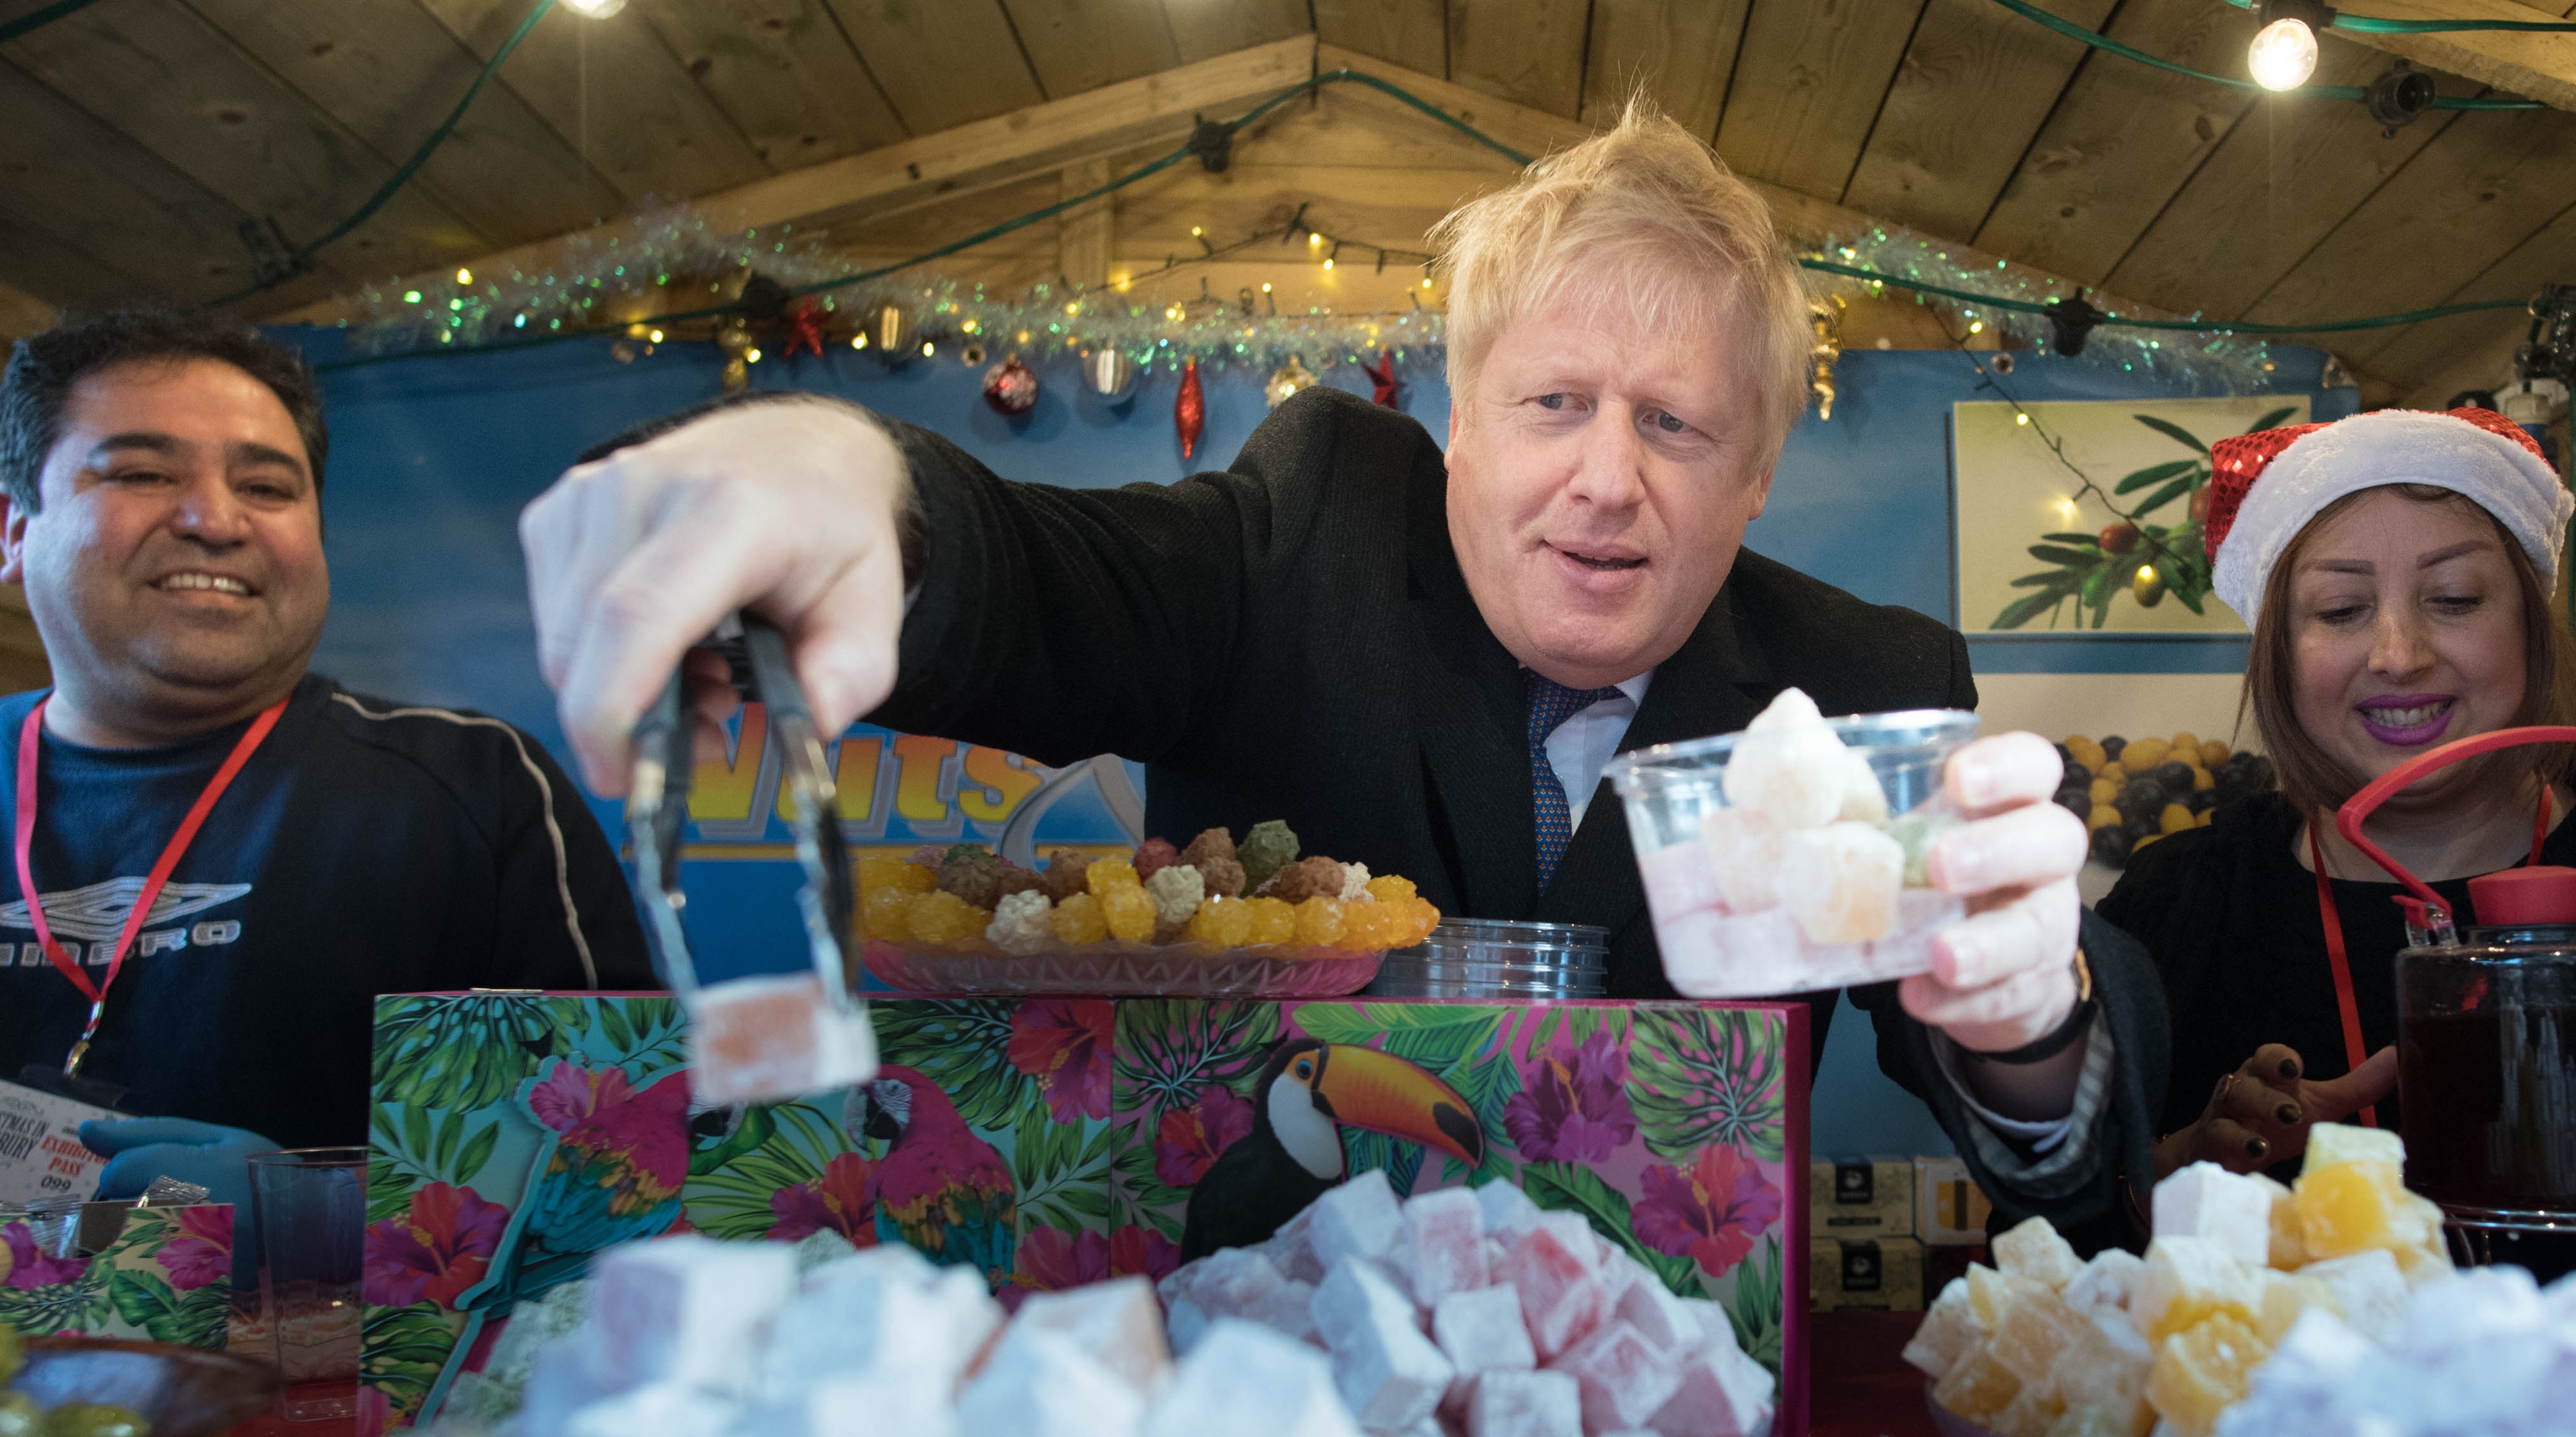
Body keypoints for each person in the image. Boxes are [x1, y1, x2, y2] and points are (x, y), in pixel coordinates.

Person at [519, 105, 2166, 1229]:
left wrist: (2028, 1027)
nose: (1605, 478)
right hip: (1259, 1419)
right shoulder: (1306, 532)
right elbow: (1047, 581)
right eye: (1551, 404)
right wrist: (856, 485)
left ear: (1753, 478)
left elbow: (2072, 1172)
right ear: (1455, 427)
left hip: (1686, 1407)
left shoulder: (1857, 676)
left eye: (1674, 425)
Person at [0, 309, 655, 1217]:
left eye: (268, 488)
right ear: (13, 531)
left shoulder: (469, 787)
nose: (215, 520)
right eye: (144, 473)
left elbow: (612, 1166)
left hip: (348, 1354)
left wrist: (336, 1213)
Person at [2101, 407, 2575, 1209]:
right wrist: (2169, 1176)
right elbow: (2043, 1242)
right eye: (2340, 610)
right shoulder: (2174, 909)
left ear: (2533, 624)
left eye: (2455, 597)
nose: (2399, 654)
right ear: (2277, 655)